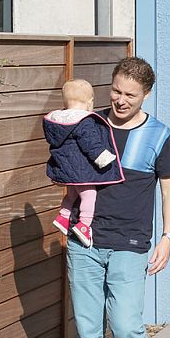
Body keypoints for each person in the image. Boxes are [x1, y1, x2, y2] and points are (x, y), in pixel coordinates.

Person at [70, 55, 170, 338]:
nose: (120, 100)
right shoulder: (91, 126)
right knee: (87, 332)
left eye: (129, 94)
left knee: (127, 327)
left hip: (130, 244)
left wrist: (167, 237)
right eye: (116, 91)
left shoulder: (158, 135)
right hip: (83, 241)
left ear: (145, 95)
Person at [43, 77, 122, 248]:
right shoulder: (84, 121)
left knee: (72, 193)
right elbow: (90, 144)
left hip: (65, 170)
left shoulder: (57, 121)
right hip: (80, 170)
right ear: (89, 102)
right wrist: (104, 158)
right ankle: (84, 225)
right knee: (89, 194)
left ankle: (63, 216)